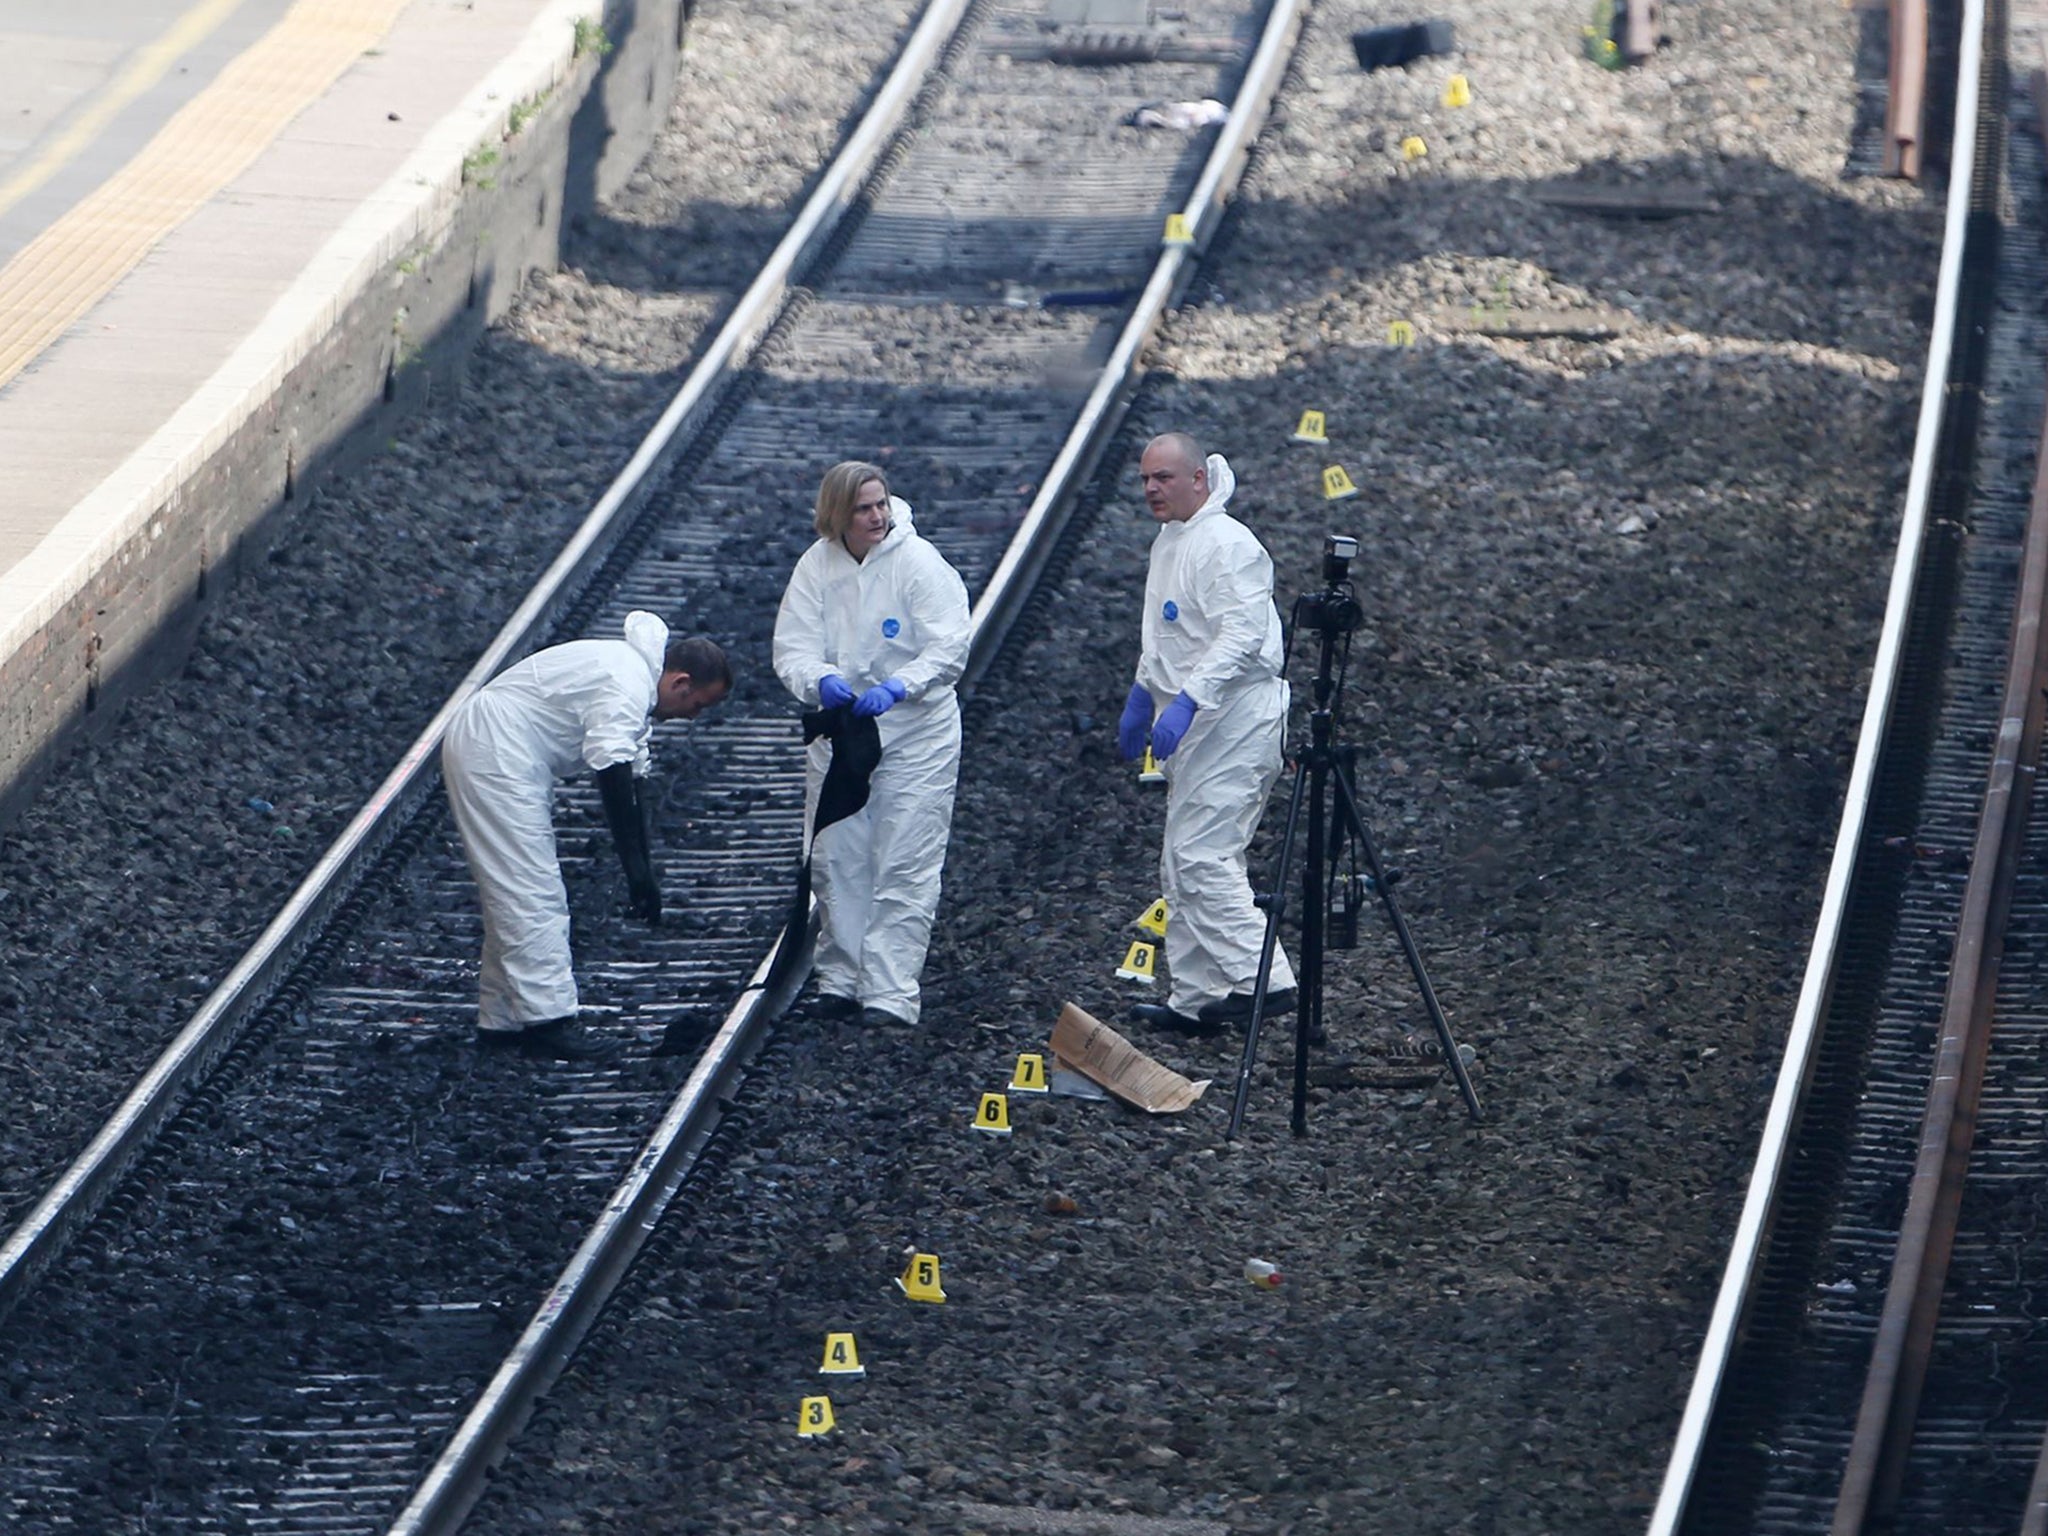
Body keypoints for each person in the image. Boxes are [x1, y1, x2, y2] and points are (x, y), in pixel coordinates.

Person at [442, 613, 731, 1059]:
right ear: (681, 683)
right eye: (698, 706)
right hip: (495, 749)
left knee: (513, 884)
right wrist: (635, 872)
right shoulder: (627, 683)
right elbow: (611, 774)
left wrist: (644, 872)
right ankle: (549, 1021)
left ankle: (501, 1018)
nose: (693, 718)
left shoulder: (633, 681)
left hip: (501, 747)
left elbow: (633, 781)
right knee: (530, 886)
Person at [773, 461, 971, 1028]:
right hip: (843, 734)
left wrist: (899, 685)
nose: (877, 516)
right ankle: (841, 976)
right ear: (838, 515)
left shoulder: (918, 564)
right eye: (863, 509)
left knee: (904, 856)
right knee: (838, 857)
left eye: (880, 504)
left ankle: (890, 990)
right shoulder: (818, 566)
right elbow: (792, 647)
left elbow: (951, 647)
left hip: (915, 735)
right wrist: (819, 680)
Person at [1117, 432, 1298, 1032]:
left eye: (1162, 478)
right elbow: (1168, 632)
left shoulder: (1227, 544)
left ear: (1199, 479)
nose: (1150, 489)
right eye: (1145, 479)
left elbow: (1241, 637)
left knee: (1202, 854)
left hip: (1237, 718)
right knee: (1180, 861)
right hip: (1202, 723)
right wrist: (1146, 692)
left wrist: (1188, 700)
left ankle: (1264, 977)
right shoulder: (1172, 541)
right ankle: (1197, 997)